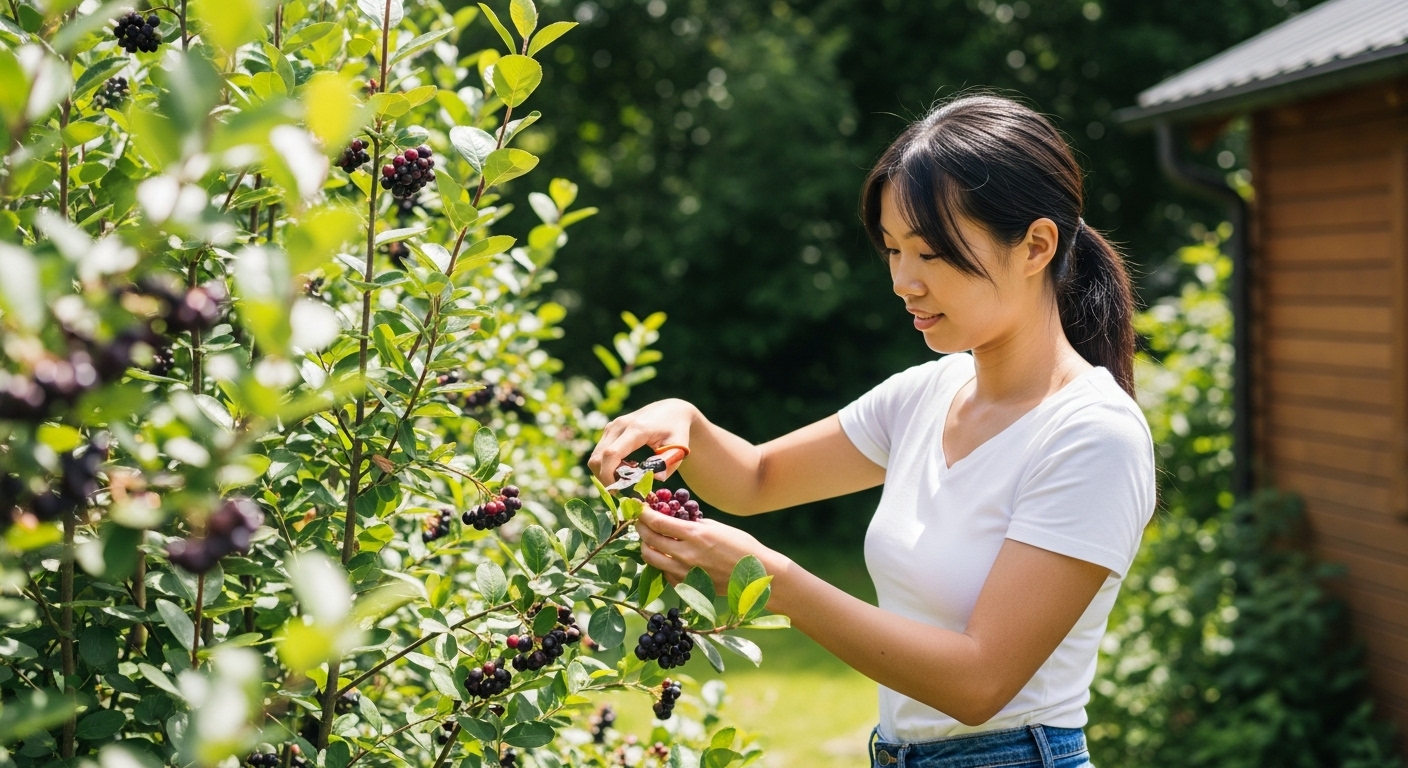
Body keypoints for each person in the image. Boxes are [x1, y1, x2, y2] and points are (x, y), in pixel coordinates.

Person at [588, 94, 1155, 768]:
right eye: (892, 250)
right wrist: (685, 418)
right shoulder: (926, 394)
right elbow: (756, 478)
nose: (903, 281)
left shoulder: (1092, 435)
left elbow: (979, 683)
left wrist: (765, 576)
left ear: (1035, 245)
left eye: (932, 254)